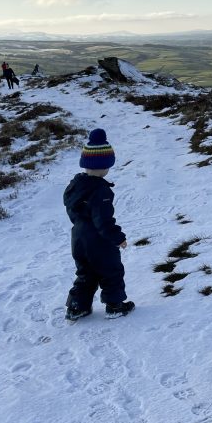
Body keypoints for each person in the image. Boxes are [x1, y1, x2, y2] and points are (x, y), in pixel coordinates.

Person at [63, 128, 135, 321]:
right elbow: (103, 221)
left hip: (78, 238)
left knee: (86, 273)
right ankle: (115, 305)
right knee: (111, 270)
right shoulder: (101, 191)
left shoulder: (75, 186)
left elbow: (72, 209)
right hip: (98, 241)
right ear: (104, 166)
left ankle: (76, 307)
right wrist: (118, 238)